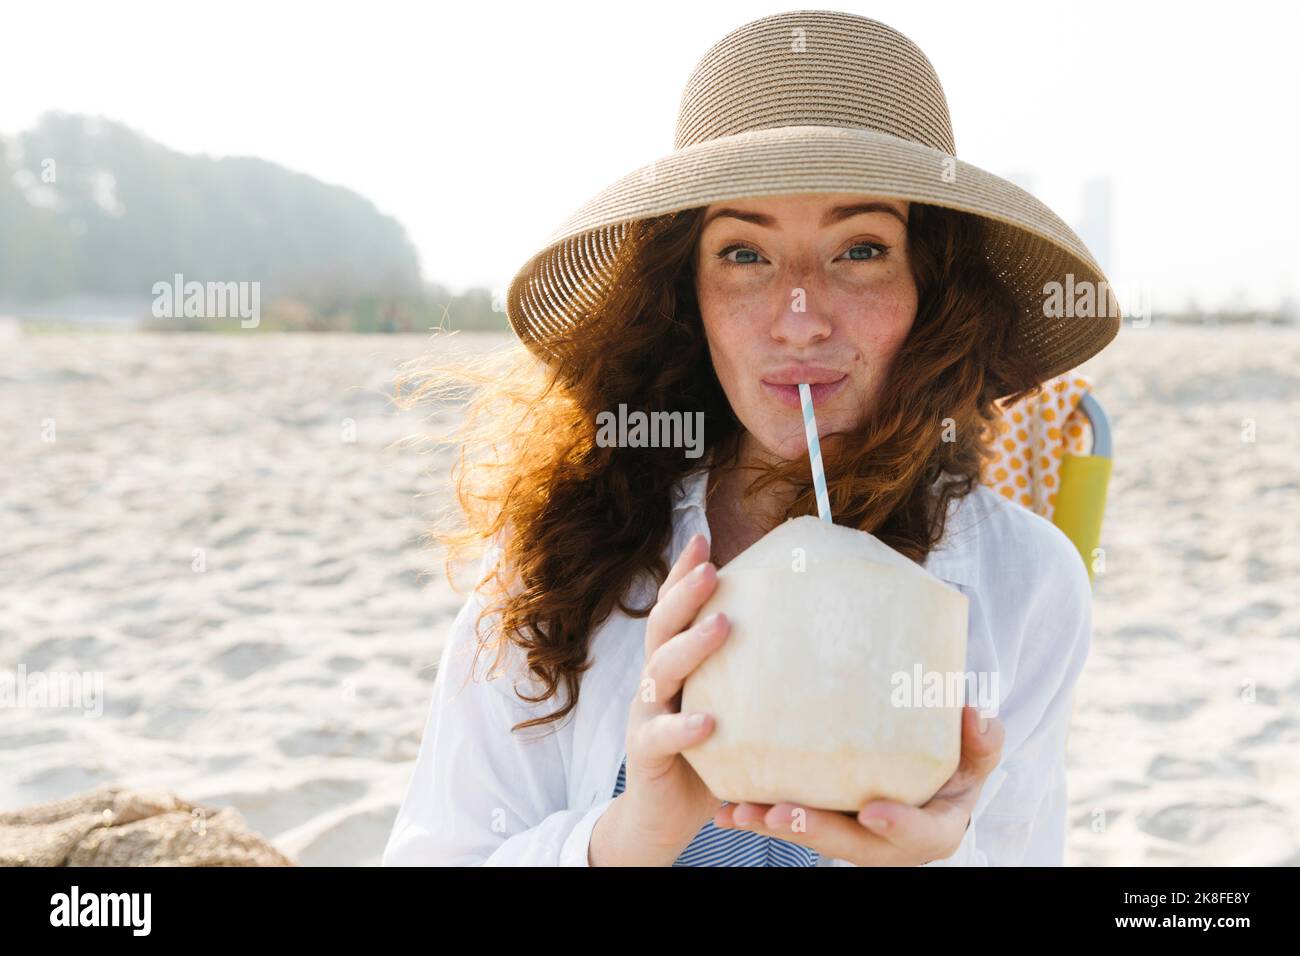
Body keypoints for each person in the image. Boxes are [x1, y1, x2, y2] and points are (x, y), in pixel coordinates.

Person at [382, 9, 1118, 866]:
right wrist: (627, 837)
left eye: (862, 249)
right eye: (744, 254)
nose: (799, 319)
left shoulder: (1027, 583)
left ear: (933, 283)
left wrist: (938, 855)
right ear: (683, 291)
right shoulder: (564, 555)